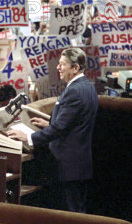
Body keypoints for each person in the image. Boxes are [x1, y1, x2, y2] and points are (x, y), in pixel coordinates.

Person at [7, 47, 98, 213]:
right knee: (78, 211)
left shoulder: (74, 91)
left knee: (71, 215)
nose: (58, 68)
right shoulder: (88, 87)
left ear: (75, 68)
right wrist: (50, 121)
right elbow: (74, 121)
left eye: (62, 64)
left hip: (68, 166)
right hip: (79, 164)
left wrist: (28, 137)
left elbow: (58, 130)